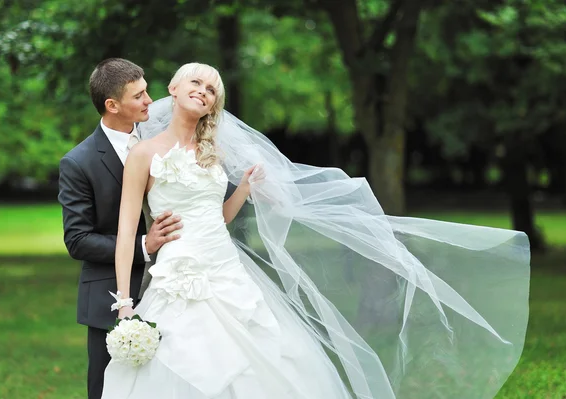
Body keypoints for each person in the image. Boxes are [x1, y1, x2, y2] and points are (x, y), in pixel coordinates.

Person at [102, 62, 531, 399]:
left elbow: (221, 219)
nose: (203, 90)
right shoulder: (143, 153)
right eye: (195, 82)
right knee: (181, 365)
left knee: (263, 365)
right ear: (173, 90)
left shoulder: (213, 154)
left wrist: (244, 190)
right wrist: (124, 305)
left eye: (212, 88)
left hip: (228, 272)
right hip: (178, 276)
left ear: (215, 105)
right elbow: (126, 234)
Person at [58, 58, 182, 399]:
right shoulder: (78, 162)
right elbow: (78, 240)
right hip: (109, 297)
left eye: (147, 91)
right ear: (112, 105)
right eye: (139, 96)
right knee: (107, 389)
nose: (149, 101)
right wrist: (145, 245)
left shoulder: (165, 140)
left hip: (177, 286)